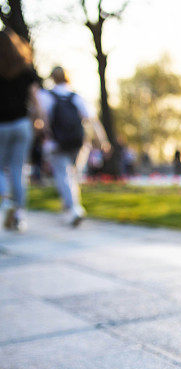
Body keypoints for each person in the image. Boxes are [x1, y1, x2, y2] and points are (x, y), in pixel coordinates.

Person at [38, 66, 110, 227]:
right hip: (78, 143)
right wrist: (102, 140)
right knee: (73, 175)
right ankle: (71, 209)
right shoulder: (76, 97)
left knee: (63, 175)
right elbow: (92, 119)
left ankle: (73, 209)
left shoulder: (46, 96)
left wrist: (43, 136)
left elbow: (41, 118)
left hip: (56, 142)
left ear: (52, 78)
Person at [0, 29, 42, 231]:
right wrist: (41, 119)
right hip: (22, 124)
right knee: (18, 170)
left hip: (1, 125)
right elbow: (36, 99)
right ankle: (19, 214)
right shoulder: (26, 69)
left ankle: (5, 201)